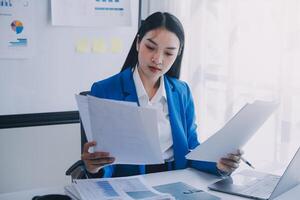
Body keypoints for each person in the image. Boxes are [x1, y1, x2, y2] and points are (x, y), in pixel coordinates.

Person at [81, 12, 242, 178]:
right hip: (130, 185)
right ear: (137, 43)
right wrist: (94, 168)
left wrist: (219, 164)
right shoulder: (105, 90)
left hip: (175, 180)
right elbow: (105, 161)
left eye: (168, 53)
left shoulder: (181, 91)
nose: (158, 59)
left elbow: (191, 150)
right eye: (150, 47)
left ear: (178, 53)